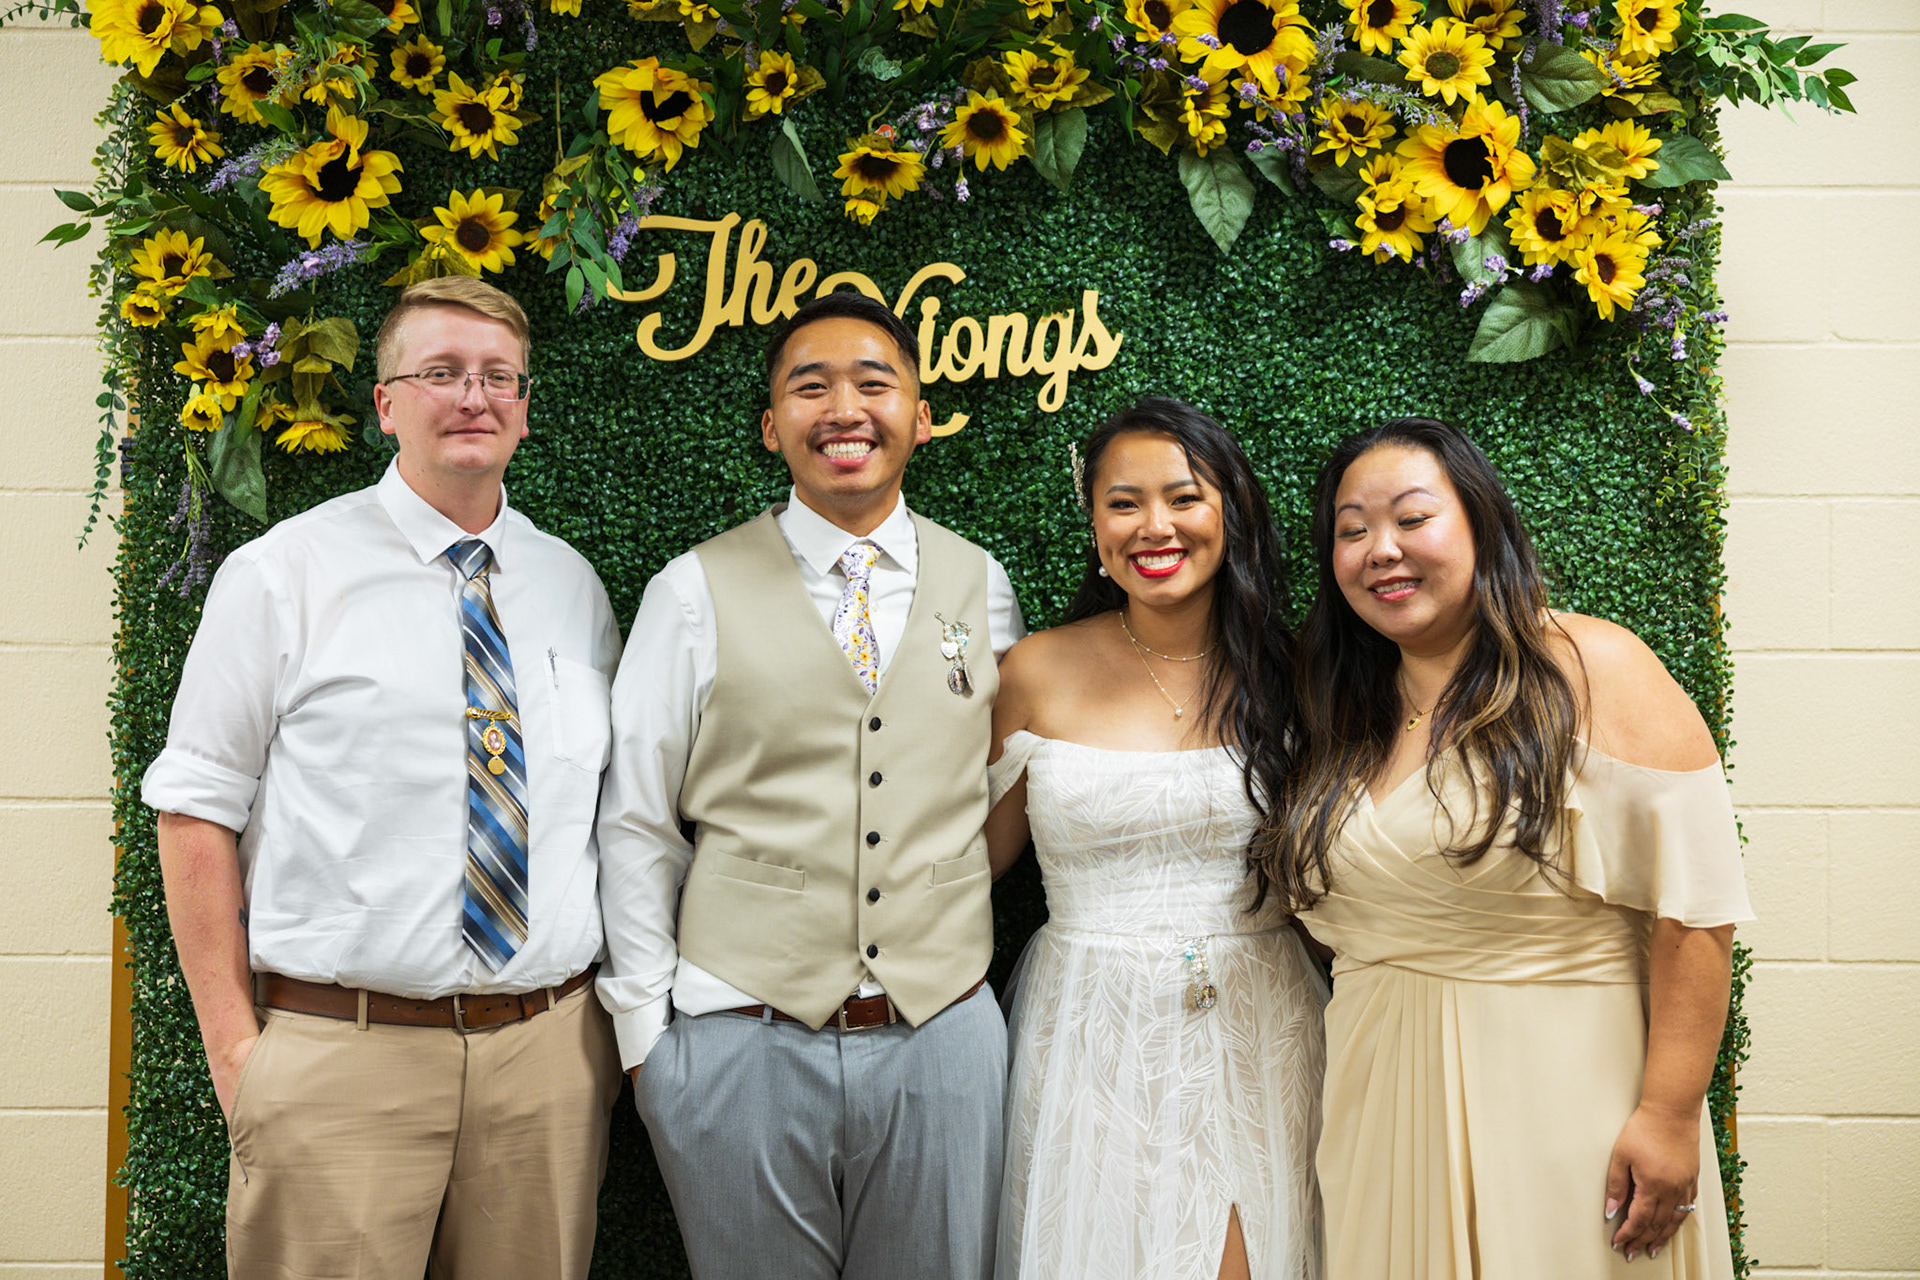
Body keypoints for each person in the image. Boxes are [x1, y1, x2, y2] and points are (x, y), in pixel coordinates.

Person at [140, 276, 624, 1278]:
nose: (473, 396)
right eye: (440, 372)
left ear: (524, 406)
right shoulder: (283, 574)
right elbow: (193, 809)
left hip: (545, 1063)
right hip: (342, 1060)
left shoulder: (573, 587)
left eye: (498, 376)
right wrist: (236, 1052)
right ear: (386, 404)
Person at [595, 291, 1025, 1280]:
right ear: (770, 425)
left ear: (921, 415)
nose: (844, 409)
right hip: (740, 1041)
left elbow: (994, 786)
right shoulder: (691, 591)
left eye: (874, 383)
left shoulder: (983, 586)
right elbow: (637, 823)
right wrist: (648, 1049)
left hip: (942, 1035)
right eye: (810, 387)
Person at [1258, 417, 1752, 1277]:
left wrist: (1670, 1114)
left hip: (1565, 1098)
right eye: (1352, 530)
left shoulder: (1591, 666)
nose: (1382, 550)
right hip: (1378, 1106)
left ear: (1482, 525)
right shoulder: (1341, 712)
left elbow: (1699, 909)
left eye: (1413, 518)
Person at [983, 399, 1328, 1280]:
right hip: (1088, 1025)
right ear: (1095, 525)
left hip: (1262, 1017)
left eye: (1182, 497)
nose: (1154, 527)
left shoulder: (1295, 673)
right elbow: (971, 860)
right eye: (1123, 503)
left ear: (1231, 512)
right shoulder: (1035, 669)